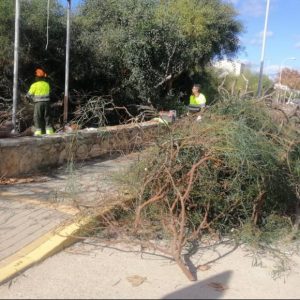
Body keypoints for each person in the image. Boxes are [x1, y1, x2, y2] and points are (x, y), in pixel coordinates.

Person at [27, 68, 54, 136]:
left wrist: (32, 101)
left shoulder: (34, 85)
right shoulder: (47, 84)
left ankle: (38, 131)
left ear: (36, 77)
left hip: (38, 103)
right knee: (47, 116)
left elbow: (28, 95)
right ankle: (49, 131)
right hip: (47, 103)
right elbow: (49, 93)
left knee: (37, 117)